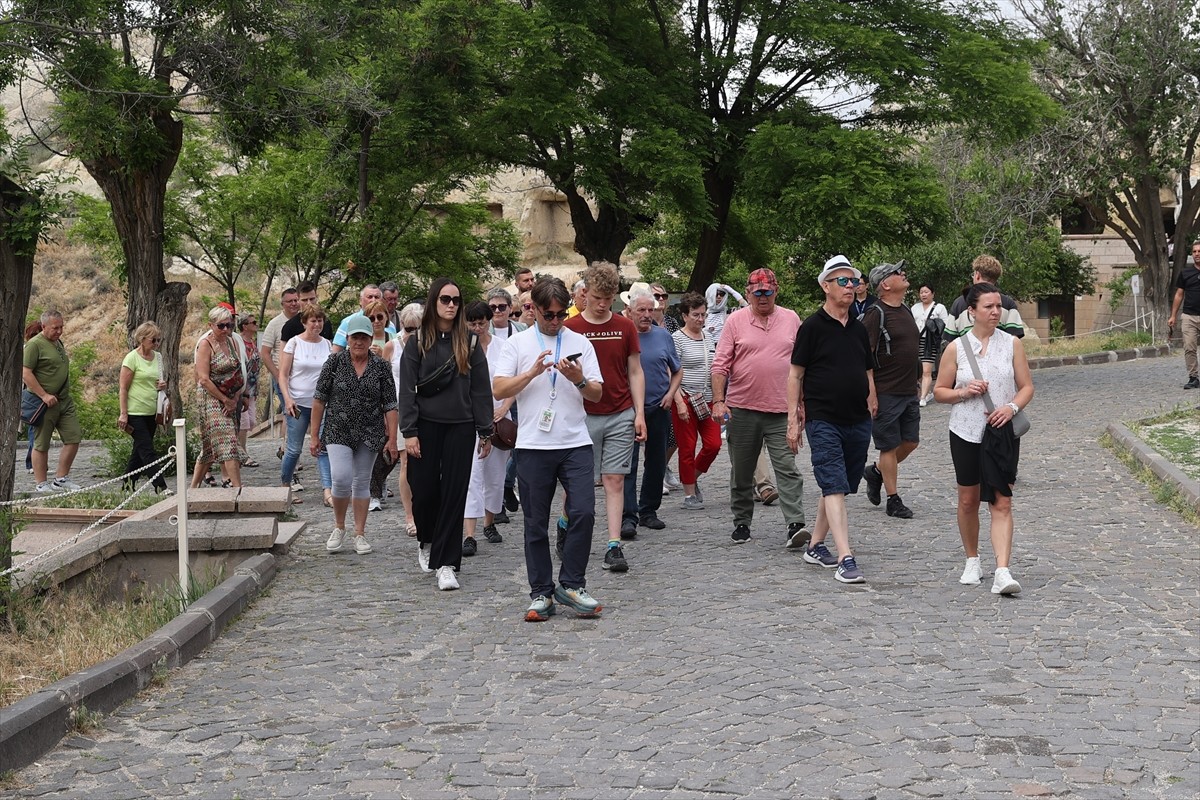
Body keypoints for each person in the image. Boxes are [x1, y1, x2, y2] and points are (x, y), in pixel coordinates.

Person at [493, 277, 605, 621]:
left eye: (560, 315)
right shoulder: (518, 343)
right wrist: (530, 373)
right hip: (532, 445)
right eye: (548, 315)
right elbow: (498, 389)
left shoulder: (580, 342)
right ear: (535, 309)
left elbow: (597, 393)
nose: (555, 321)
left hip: (575, 443)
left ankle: (571, 583)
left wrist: (578, 380)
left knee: (584, 511)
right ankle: (541, 593)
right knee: (535, 523)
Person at [934, 282, 1034, 595]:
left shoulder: (1012, 344)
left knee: (1002, 500)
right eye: (988, 306)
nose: (995, 311)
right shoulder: (956, 347)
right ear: (971, 311)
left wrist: (1011, 406)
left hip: (1002, 432)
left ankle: (1003, 571)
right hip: (964, 430)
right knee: (968, 499)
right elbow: (939, 391)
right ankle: (972, 559)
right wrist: (963, 392)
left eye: (998, 306)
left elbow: (1027, 386)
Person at [400, 278, 494, 591]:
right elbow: (406, 391)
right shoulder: (417, 343)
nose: (451, 305)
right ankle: (426, 538)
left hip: (461, 426)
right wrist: (409, 431)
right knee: (423, 490)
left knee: (455, 494)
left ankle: (447, 563)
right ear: (433, 302)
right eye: (445, 299)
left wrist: (485, 430)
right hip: (425, 426)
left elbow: (481, 389)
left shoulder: (468, 341)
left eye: (456, 299)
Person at [788, 259, 876, 584]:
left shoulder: (857, 328)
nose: (850, 287)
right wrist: (793, 420)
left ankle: (814, 545)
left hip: (857, 419)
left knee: (838, 484)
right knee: (834, 482)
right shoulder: (811, 327)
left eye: (853, 281)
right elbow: (795, 374)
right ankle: (845, 558)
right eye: (843, 281)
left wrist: (872, 399)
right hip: (822, 418)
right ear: (826, 286)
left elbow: (867, 369)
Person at [711, 268, 806, 545]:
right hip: (742, 409)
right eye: (757, 292)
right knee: (742, 470)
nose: (763, 297)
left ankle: (795, 523)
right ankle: (742, 521)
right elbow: (720, 364)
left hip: (780, 409)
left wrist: (801, 404)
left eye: (768, 292)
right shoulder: (735, 321)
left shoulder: (791, 319)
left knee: (787, 467)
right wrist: (718, 401)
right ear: (748, 292)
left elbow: (801, 366)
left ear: (776, 291)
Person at [565, 262, 645, 570]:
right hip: (582, 415)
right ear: (584, 293)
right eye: (597, 297)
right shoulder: (571, 328)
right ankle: (565, 523)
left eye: (608, 298)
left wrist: (639, 414)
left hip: (620, 412)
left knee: (614, 479)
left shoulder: (625, 327)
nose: (602, 304)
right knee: (578, 483)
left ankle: (614, 546)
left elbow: (635, 370)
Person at [312, 315, 399, 556]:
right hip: (338, 428)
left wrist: (392, 439)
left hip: (370, 430)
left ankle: (359, 533)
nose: (359, 342)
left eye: (363, 337)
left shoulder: (381, 366)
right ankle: (339, 526)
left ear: (371, 338)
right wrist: (314, 435)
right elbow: (319, 399)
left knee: (362, 481)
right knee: (340, 478)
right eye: (354, 337)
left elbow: (390, 404)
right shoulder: (334, 363)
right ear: (347, 339)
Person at [860, 261, 921, 520]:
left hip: (908, 390)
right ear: (885, 284)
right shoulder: (875, 314)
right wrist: (870, 393)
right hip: (886, 391)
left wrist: (917, 380)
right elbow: (864, 358)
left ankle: (875, 471)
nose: (902, 274)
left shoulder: (905, 309)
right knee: (889, 445)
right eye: (897, 273)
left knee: (911, 442)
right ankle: (893, 500)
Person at [621, 288, 681, 534]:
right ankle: (627, 515)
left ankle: (648, 510)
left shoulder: (663, 336)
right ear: (630, 311)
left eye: (650, 310)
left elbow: (677, 370)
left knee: (656, 462)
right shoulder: (623, 336)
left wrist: (670, 394)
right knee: (628, 464)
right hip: (627, 410)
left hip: (658, 407)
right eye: (641, 310)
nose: (647, 315)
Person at [461, 301, 515, 556]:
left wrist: (505, 408)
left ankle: (489, 522)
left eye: (482, 322)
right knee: (472, 475)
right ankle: (469, 533)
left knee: (495, 475)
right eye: (472, 323)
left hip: (498, 416)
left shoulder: (504, 347)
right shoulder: (461, 349)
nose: (478, 327)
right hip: (469, 418)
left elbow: (514, 382)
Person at [278, 304, 334, 506]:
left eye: (320, 320)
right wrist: (287, 399)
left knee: (323, 446)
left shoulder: (327, 344)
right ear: (304, 322)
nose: (317, 324)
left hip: (322, 402)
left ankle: (328, 490)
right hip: (298, 402)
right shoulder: (294, 343)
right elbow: (283, 375)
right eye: (313, 321)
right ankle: (285, 485)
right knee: (294, 449)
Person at [23, 311, 84, 493]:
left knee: (74, 437)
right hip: (44, 402)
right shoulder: (34, 345)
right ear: (43, 327)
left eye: (61, 327)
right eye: (55, 328)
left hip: (64, 400)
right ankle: (41, 483)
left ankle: (61, 478)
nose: (59, 331)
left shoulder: (58, 343)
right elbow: (26, 373)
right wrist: (43, 395)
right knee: (41, 443)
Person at [672, 292, 722, 508]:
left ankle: (691, 476)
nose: (700, 319)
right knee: (687, 447)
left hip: (707, 399)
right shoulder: (676, 339)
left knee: (713, 444)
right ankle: (689, 494)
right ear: (685, 316)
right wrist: (679, 401)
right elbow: (671, 372)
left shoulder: (708, 338)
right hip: (686, 398)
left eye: (703, 315)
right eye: (696, 315)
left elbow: (715, 367)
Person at [374, 302, 423, 517]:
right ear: (402, 324)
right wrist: (385, 415)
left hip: (426, 406)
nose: (413, 333)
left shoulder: (427, 344)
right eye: (409, 328)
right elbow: (383, 382)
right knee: (406, 461)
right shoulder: (392, 346)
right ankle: (409, 515)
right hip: (400, 408)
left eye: (417, 328)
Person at [190, 306, 245, 490]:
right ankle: (238, 488)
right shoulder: (205, 344)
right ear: (211, 325)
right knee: (227, 440)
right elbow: (203, 379)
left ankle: (192, 489)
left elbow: (238, 370)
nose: (226, 330)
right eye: (221, 326)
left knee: (209, 448)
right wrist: (224, 399)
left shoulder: (232, 342)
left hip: (230, 395)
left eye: (229, 325)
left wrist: (237, 396)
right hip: (211, 397)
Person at [487, 287, 526, 517]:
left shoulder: (521, 331)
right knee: (497, 449)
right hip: (495, 397)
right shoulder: (483, 332)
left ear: (510, 309)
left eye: (502, 306)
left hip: (519, 397)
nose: (498, 311)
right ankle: (496, 505)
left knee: (520, 445)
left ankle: (507, 484)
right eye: (493, 307)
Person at [117, 321, 170, 495]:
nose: (156, 344)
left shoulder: (158, 357)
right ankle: (161, 487)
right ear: (142, 339)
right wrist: (123, 414)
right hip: (135, 412)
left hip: (151, 411)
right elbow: (123, 388)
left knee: (139, 452)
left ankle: (127, 486)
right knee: (148, 451)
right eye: (153, 340)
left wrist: (162, 385)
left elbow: (158, 381)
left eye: (158, 340)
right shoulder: (131, 358)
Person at [944, 254, 1026, 342]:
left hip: (968, 355)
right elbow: (1013, 342)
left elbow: (950, 340)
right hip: (999, 354)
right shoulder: (1008, 304)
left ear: (977, 275)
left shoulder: (958, 304)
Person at [260, 287, 299, 425]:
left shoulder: (307, 321)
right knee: (290, 412)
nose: (294, 303)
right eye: (290, 301)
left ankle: (284, 444)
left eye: (296, 300)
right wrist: (277, 375)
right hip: (284, 377)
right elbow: (265, 353)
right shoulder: (274, 324)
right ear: (282, 304)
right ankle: (287, 445)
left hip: (303, 377)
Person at [1167, 240, 1200, 389]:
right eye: (1194, 252)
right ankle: (1193, 377)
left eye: (1199, 251)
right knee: (1189, 347)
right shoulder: (1186, 273)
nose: (1197, 254)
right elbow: (1179, 294)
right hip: (1189, 316)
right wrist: (1173, 315)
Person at [911, 283, 949, 405]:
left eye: (926, 292)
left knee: (927, 370)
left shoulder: (940, 308)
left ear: (932, 294)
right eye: (921, 292)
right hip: (916, 340)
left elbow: (945, 324)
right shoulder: (914, 308)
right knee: (919, 369)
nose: (923, 294)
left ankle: (922, 397)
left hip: (930, 341)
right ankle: (926, 393)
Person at [332, 283, 396, 352]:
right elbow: (336, 351)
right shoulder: (348, 322)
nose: (373, 300)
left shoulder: (390, 325)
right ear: (360, 300)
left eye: (377, 297)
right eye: (370, 297)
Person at [236, 314, 262, 466]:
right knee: (244, 422)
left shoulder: (253, 342)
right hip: (242, 388)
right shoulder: (239, 342)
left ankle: (240, 451)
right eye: (253, 322)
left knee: (250, 421)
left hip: (252, 387)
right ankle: (243, 454)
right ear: (244, 326)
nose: (256, 324)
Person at [22, 320, 43, 474]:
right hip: (31, 395)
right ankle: (32, 463)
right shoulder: (28, 349)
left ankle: (38, 463)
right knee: (33, 429)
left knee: (40, 431)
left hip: (42, 393)